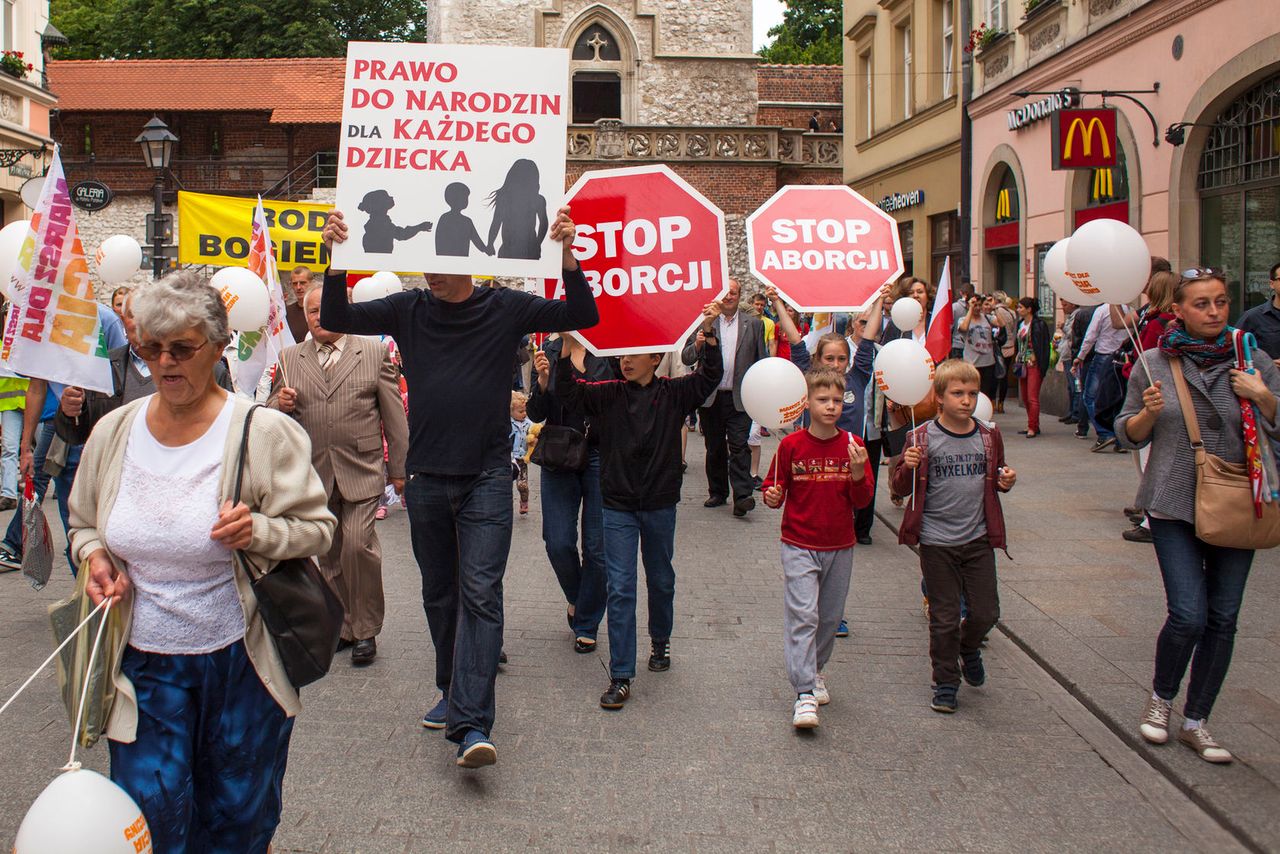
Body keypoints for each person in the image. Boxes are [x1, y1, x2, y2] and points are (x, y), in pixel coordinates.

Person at [319, 204, 597, 768]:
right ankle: (451, 688)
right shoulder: (409, 309)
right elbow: (337, 316)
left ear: (472, 261)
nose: (432, 273)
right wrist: (336, 258)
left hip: (489, 478)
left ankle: (472, 723)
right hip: (425, 478)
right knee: (439, 594)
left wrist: (569, 255)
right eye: (426, 265)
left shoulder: (505, 307)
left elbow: (582, 313)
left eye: (443, 264)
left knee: (480, 593)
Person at [67, 271, 336, 850]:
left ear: (217, 345)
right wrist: (93, 557)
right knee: (152, 816)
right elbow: (83, 521)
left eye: (182, 348)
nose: (166, 362)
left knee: (237, 819)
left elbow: (319, 529)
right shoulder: (114, 432)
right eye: (152, 348)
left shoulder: (264, 433)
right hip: (143, 668)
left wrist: (259, 529)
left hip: (242, 662)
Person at [1116, 268, 1280, 764]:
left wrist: (1263, 397)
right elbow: (1127, 432)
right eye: (1202, 304)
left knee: (1223, 618)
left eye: (1221, 302)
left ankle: (1197, 719)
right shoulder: (1154, 362)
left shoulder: (1253, 359)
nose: (1213, 312)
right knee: (1188, 614)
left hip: (1239, 501)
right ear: (1179, 311)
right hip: (1174, 501)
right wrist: (1145, 413)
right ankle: (1162, 700)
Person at [554, 303, 723, 709]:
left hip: (661, 504)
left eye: (635, 355)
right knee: (622, 588)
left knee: (661, 579)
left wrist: (710, 332)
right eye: (623, 355)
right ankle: (622, 674)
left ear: (655, 358)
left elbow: (710, 377)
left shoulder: (674, 393)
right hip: (617, 507)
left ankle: (660, 640)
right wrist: (566, 346)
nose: (626, 361)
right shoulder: (609, 394)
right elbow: (568, 392)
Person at [267, 283, 409, 666]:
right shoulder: (290, 357)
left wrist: (399, 469)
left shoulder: (374, 352)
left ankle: (366, 630)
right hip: (315, 472)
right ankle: (344, 627)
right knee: (329, 555)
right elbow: (270, 416)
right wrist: (278, 404)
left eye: (325, 309)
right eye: (311, 312)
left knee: (357, 546)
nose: (318, 317)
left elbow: (394, 416)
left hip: (362, 468)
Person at [892, 359, 1016, 713]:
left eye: (973, 394)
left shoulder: (988, 435)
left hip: (977, 539)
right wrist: (907, 467)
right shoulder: (921, 437)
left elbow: (998, 477)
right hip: (936, 541)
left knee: (986, 612)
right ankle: (945, 682)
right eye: (958, 393)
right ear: (940, 398)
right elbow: (901, 487)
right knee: (944, 618)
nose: (966, 400)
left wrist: (1007, 480)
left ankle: (968, 646)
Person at [762, 369, 874, 729]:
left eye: (837, 401)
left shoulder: (854, 445)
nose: (830, 406)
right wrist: (772, 495)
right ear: (806, 402)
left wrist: (858, 474)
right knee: (804, 616)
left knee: (828, 618)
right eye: (823, 400)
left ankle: (816, 669)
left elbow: (863, 500)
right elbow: (773, 490)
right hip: (798, 543)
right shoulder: (791, 445)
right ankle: (804, 693)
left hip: (840, 545)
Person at [528, 333, 613, 653]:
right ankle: (578, 598)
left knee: (597, 547)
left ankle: (587, 621)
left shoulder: (608, 349)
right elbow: (535, 413)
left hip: (599, 454)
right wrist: (543, 381)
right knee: (558, 540)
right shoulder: (547, 350)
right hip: (558, 453)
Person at [681, 279, 768, 517]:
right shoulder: (704, 322)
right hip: (711, 397)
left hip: (741, 397)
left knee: (740, 446)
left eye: (734, 293)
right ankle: (718, 492)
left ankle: (743, 496)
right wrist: (698, 345)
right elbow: (687, 358)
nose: (729, 296)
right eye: (725, 292)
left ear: (740, 296)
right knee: (715, 447)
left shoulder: (754, 325)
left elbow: (762, 361)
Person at [1075, 295, 1131, 452]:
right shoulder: (1130, 310)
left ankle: (1105, 432)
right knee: (1118, 399)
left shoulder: (1102, 310)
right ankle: (1120, 438)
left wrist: (1080, 356)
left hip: (1103, 356)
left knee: (1090, 396)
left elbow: (1090, 336)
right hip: (1122, 357)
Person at [1013, 297, 1051, 438]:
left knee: (1032, 396)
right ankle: (1033, 423)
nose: (1018, 310)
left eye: (1020, 307)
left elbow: (1043, 345)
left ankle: (1032, 427)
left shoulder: (1039, 324)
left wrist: (1041, 361)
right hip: (1022, 362)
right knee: (1025, 395)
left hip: (1034, 364)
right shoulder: (1020, 324)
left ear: (1029, 309)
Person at [1237, 261, 1280, 365]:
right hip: (1266, 379)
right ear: (1271, 284)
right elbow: (1235, 352)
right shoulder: (1252, 317)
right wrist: (1267, 365)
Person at [958, 295, 998, 399]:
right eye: (974, 305)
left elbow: (1001, 323)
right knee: (972, 391)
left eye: (979, 305)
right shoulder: (963, 319)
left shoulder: (986, 317)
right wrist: (970, 309)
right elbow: (964, 328)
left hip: (988, 362)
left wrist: (995, 308)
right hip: (972, 363)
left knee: (985, 393)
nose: (977, 308)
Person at [0, 361, 26, 513]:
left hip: (32, 402)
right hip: (8, 404)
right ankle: (9, 494)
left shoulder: (23, 341)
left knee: (45, 447)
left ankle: (41, 481)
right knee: (9, 448)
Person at [990, 291, 1017, 413]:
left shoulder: (995, 312)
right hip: (1010, 346)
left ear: (995, 300)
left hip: (998, 347)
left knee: (995, 375)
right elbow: (1013, 330)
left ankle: (993, 403)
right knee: (1004, 376)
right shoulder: (1012, 313)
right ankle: (1001, 403)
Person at [510, 391, 533, 515]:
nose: (524, 414)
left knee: (522, 485)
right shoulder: (508, 423)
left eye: (525, 411)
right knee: (506, 484)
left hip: (522, 459)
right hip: (510, 458)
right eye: (520, 412)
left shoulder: (528, 423)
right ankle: (507, 504)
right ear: (511, 411)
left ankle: (524, 501)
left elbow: (535, 429)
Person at [285, 265, 314, 343]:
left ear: (311, 283)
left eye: (302, 283)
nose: (298, 287)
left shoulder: (321, 311)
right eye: (295, 284)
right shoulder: (286, 313)